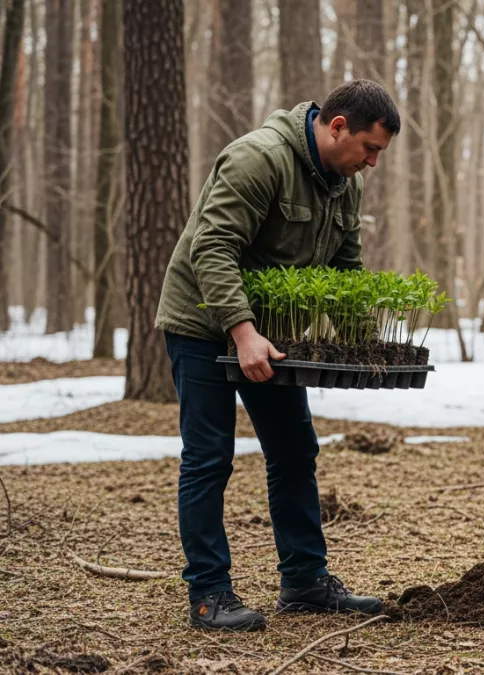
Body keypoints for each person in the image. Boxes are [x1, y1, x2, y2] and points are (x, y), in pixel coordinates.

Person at [154, 80, 401, 631]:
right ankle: (208, 593)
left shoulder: (344, 184)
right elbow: (211, 247)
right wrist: (241, 333)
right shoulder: (257, 159)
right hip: (203, 324)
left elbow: (344, 269)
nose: (373, 163)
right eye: (370, 149)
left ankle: (305, 581)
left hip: (272, 336)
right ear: (337, 126)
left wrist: (368, 345)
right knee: (209, 455)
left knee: (294, 449)